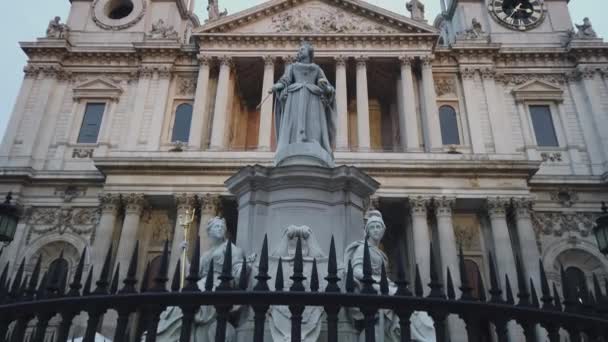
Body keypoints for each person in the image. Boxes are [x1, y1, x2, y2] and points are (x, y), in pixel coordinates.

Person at [344, 210, 436, 342]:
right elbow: (356, 270)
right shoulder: (362, 249)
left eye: (378, 227)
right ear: (367, 231)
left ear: (383, 230)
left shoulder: (378, 252)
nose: (376, 230)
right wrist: (376, 283)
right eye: (372, 227)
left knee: (412, 307)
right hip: (371, 286)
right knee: (407, 306)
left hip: (383, 285)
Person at [154, 217, 246, 342]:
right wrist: (184, 253)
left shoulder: (231, 248)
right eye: (216, 226)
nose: (220, 229)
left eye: (222, 227)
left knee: (188, 303)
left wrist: (244, 268)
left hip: (218, 285)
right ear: (209, 231)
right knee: (180, 303)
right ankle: (164, 334)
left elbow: (237, 269)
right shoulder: (206, 254)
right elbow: (192, 273)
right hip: (202, 284)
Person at [271, 42, 336, 160]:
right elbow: (285, 80)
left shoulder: (316, 69)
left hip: (313, 98)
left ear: (309, 53)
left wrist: (325, 87)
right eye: (299, 50)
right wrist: (277, 86)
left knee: (313, 122)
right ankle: (294, 140)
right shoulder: (292, 67)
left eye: (302, 49)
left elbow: (328, 87)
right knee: (294, 120)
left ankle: (314, 141)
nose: (299, 51)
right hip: (295, 96)